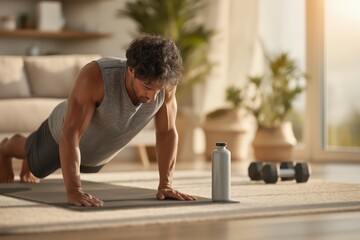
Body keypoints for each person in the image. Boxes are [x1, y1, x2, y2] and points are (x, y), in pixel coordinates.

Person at [0, 35, 197, 207]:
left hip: (97, 151)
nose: (153, 97)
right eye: (147, 87)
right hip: (60, 135)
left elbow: (167, 132)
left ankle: (30, 152)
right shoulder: (96, 76)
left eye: (159, 89)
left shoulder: (166, 83)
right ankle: (6, 148)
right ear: (131, 70)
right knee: (36, 164)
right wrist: (74, 190)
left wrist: (166, 184)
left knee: (87, 166)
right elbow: (71, 133)